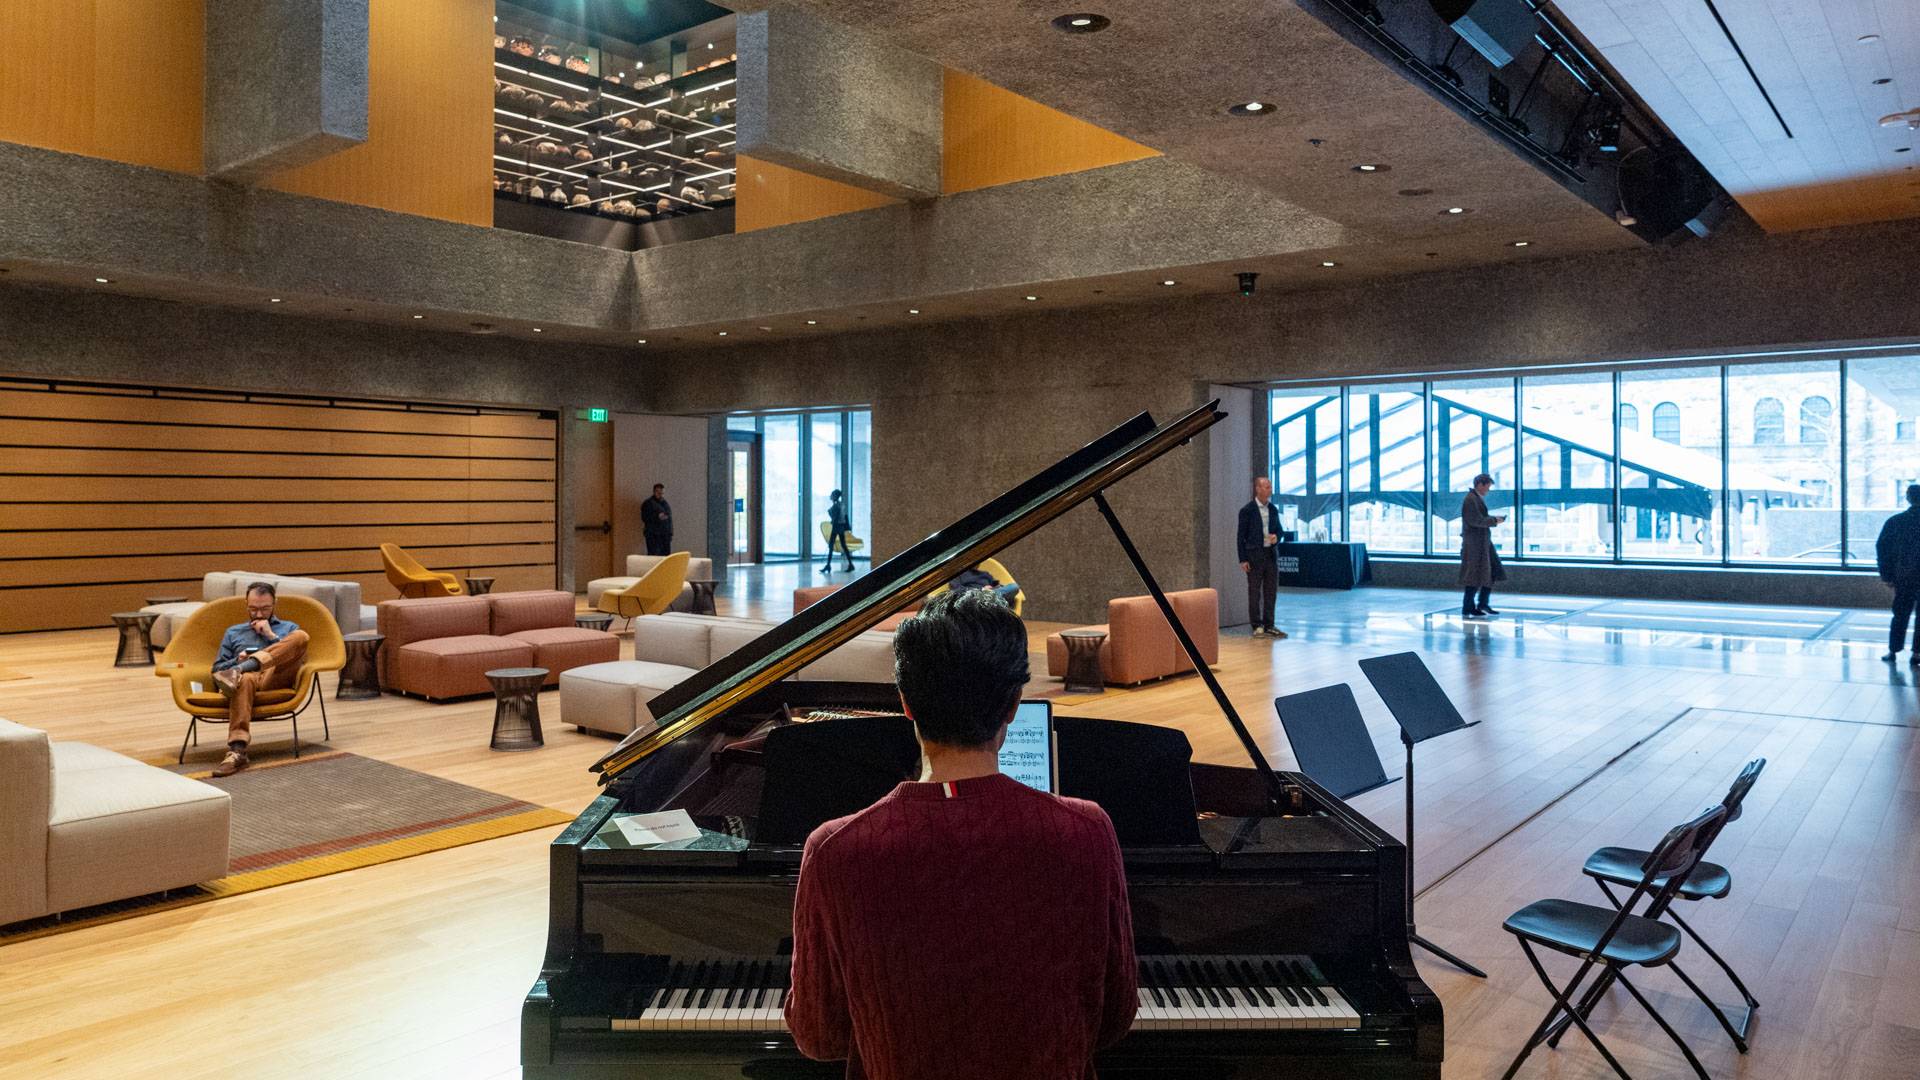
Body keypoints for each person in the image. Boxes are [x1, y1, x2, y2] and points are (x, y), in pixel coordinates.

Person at [786, 589, 1136, 1080]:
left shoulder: (835, 848)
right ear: (1015, 704)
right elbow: (1112, 1020)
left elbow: (819, 1037)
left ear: (905, 703)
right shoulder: (1088, 830)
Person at [207, 582, 309, 776]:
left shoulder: (288, 628)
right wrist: (237, 660)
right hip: (245, 681)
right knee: (243, 679)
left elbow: (300, 657)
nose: (259, 614)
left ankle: (242, 668)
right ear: (246, 604)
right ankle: (237, 750)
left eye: (265, 609)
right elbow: (217, 670)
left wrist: (271, 636)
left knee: (301, 636)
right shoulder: (233, 632)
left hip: (275, 676)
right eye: (253, 609)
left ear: (274, 604)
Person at [1237, 476, 1291, 639]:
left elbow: (1280, 530)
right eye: (1266, 487)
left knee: (1271, 591)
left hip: (1271, 555)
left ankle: (1269, 624)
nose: (1269, 490)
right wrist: (1243, 559)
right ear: (1258, 489)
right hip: (1254, 556)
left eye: (1270, 487)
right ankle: (1257, 625)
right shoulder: (1247, 510)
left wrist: (1277, 537)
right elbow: (1240, 537)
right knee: (1254, 592)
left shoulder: (1273, 509)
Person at [1878, 483, 1920, 664]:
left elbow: (1883, 549)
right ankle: (1917, 654)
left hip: (1904, 576)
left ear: (1908, 498)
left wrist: (1887, 575)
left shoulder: (1895, 521)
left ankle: (1893, 650)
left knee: (1900, 614)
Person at [1459, 473, 1507, 618]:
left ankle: (1482, 603)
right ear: (1480, 484)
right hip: (1475, 545)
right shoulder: (1470, 500)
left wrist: (1493, 520)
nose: (1488, 490)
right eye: (1487, 486)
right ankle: (1469, 606)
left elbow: (1477, 519)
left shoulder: (1475, 498)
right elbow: (1475, 520)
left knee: (1491, 571)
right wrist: (1494, 520)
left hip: (1482, 543)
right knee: (1474, 574)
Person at [946, 562, 1021, 606]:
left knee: (1014, 586)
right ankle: (993, 600)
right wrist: (982, 589)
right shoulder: (958, 574)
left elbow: (995, 585)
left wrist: (996, 587)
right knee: (995, 596)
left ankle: (992, 599)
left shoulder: (985, 574)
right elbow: (956, 589)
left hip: (993, 592)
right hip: (975, 596)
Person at [821, 488, 854, 574]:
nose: (830, 496)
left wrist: (830, 514)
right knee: (842, 545)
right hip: (841, 527)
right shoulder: (841, 504)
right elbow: (843, 516)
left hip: (836, 527)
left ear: (835, 496)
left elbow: (834, 517)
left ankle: (828, 565)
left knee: (831, 546)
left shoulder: (836, 505)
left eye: (832, 495)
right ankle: (850, 564)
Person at [641, 483, 672, 557]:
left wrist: (670, 533)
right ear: (654, 492)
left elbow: (669, 518)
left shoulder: (665, 503)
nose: (661, 495)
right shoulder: (648, 503)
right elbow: (645, 518)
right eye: (659, 493)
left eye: (662, 493)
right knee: (654, 557)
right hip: (653, 535)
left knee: (665, 558)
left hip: (665, 535)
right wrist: (657, 517)